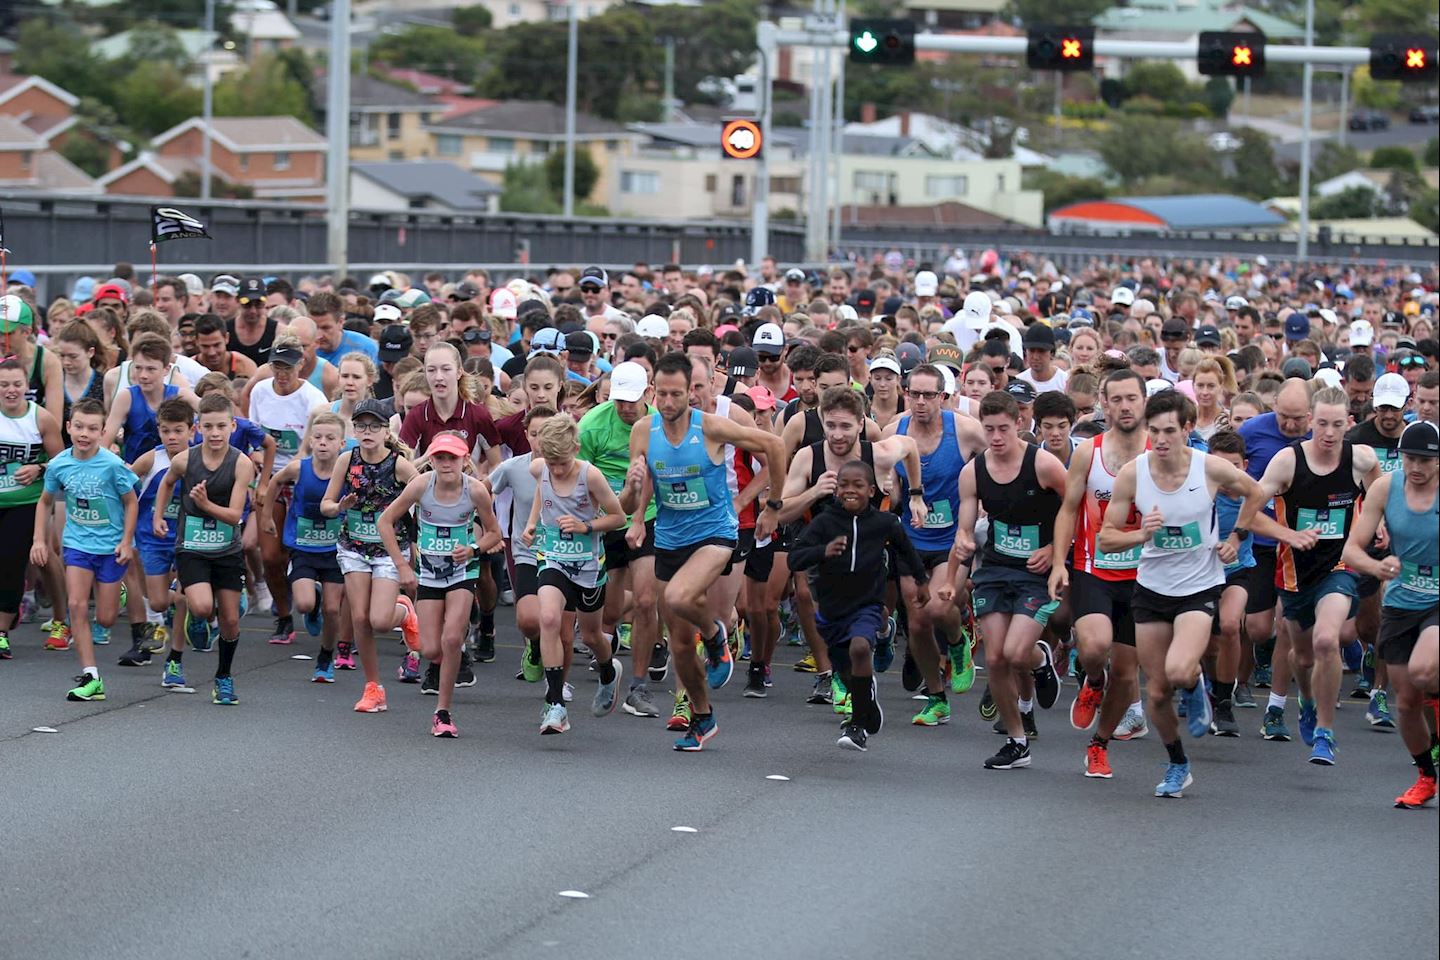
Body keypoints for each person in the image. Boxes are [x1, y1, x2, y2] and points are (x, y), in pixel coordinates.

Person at [1100, 390, 1264, 797]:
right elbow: (1105, 539)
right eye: (1153, 431)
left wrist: (1237, 535)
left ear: (1188, 429)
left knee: (1177, 670)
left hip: (1199, 587)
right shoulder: (1134, 474)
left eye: (1169, 431)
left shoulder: (1208, 468)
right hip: (1152, 588)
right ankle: (1178, 763)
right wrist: (1142, 533)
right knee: (1155, 693)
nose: (1160, 440)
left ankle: (1193, 687)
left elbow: (1257, 493)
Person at [619, 352, 785, 752]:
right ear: (652, 393)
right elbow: (628, 502)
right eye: (664, 394)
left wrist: (773, 505)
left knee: (679, 597)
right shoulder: (644, 431)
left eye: (680, 393)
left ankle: (714, 634)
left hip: (715, 533)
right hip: (671, 538)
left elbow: (776, 447)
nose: (672, 402)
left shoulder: (710, 427)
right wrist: (635, 498)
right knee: (677, 642)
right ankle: (703, 716)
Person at [1253, 386, 1380, 764]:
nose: (1328, 433)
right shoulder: (1286, 462)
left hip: (1338, 566)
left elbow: (1377, 488)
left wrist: (1379, 522)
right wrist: (1288, 534)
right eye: (1322, 423)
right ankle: (1306, 702)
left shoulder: (1360, 458)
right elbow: (1250, 512)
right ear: (1310, 420)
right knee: (1303, 657)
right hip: (1294, 575)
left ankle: (1325, 732)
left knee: (1328, 641)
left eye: (1337, 425)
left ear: (1349, 424)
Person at [944, 390, 1067, 770]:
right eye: (989, 429)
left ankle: (1040, 658)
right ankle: (1017, 742)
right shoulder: (973, 471)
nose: (996, 437)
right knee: (995, 658)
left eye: (1003, 429)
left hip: (1035, 571)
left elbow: (1075, 510)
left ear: (1018, 424)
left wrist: (1054, 550)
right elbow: (965, 529)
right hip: (995, 568)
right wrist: (963, 540)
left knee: (1016, 653)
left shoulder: (1044, 465)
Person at [1048, 369, 1151, 780]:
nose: (1125, 406)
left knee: (1127, 676)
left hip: (1145, 576)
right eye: (1117, 399)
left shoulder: (1159, 452)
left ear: (1144, 402)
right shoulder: (1088, 453)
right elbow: (1069, 509)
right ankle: (1092, 678)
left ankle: (1099, 745)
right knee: (1094, 647)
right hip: (1094, 568)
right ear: (1103, 404)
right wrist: (1059, 562)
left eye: (1132, 398)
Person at [789, 460, 930, 752]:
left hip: (867, 605)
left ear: (872, 490)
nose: (850, 491)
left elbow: (907, 549)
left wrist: (921, 581)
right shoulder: (825, 523)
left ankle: (858, 724)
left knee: (861, 648)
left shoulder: (884, 523)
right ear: (835, 489)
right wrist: (822, 551)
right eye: (844, 485)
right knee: (845, 669)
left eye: (858, 485)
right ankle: (866, 700)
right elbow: (795, 558)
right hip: (831, 609)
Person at [1342, 421, 1439, 808]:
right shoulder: (1385, 487)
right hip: (1401, 600)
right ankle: (1426, 776)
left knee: (1422, 669)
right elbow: (1351, 550)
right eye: (1410, 458)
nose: (1416, 467)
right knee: (1406, 701)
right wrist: (1375, 567)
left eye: (1426, 461)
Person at [381, 431, 503, 738]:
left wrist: (473, 549)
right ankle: (411, 614)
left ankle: (443, 712)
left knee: (451, 641)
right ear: (431, 460)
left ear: (464, 459)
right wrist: (401, 566)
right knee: (429, 647)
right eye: (440, 457)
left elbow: (494, 533)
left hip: (463, 572)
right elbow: (385, 521)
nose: (446, 463)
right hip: (429, 574)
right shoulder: (422, 485)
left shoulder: (475, 491)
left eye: (452, 457)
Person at [886, 363, 986, 725]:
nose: (922, 402)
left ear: (944, 397)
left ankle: (958, 643)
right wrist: (889, 491)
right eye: (915, 394)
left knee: (939, 609)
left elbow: (999, 465)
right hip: (911, 539)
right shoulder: (893, 430)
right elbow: (891, 485)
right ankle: (935, 696)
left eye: (930, 395)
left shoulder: (966, 431)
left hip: (952, 539)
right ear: (906, 393)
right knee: (915, 624)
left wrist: (983, 508)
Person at [520, 415, 628, 735]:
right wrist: (532, 523)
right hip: (552, 556)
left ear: (576, 449)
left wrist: (586, 526)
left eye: (562, 463)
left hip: (588, 563)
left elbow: (618, 516)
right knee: (550, 620)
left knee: (592, 636)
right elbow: (542, 490)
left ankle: (608, 671)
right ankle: (556, 704)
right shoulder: (540, 468)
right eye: (550, 461)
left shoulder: (590, 476)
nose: (555, 469)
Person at [32, 398, 139, 702]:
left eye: (93, 429)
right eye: (78, 426)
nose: (84, 433)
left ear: (103, 431)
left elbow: (131, 502)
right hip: (77, 544)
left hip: (110, 546)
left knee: (105, 619)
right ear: (68, 427)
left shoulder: (112, 465)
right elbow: (45, 501)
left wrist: (126, 541)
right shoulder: (58, 465)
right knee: (77, 606)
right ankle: (91, 676)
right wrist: (39, 539)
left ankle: (116, 592)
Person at [152, 392, 256, 705]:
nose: (214, 433)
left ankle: (223, 677)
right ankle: (191, 614)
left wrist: (205, 503)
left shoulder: (242, 464)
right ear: (198, 427)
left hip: (227, 549)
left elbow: (235, 515)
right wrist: (158, 515)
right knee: (200, 607)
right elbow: (166, 482)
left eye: (221, 426)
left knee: (230, 621)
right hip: (192, 547)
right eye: (208, 426)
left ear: (233, 426)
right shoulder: (185, 459)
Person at [576, 361, 664, 716]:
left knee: (645, 600)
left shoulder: (659, 424)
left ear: (648, 393)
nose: (625, 407)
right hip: (606, 517)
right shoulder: (592, 424)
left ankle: (639, 688)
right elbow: (579, 481)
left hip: (651, 515)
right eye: (618, 400)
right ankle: (608, 671)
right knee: (609, 613)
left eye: (632, 399)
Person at [321, 399, 421, 711]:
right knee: (360, 617)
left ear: (385, 430)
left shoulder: (399, 465)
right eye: (362, 425)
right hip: (353, 548)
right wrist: (340, 507)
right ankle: (373, 687)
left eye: (374, 426)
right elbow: (325, 505)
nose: (367, 432)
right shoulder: (346, 460)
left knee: (379, 620)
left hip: (388, 550)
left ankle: (403, 611)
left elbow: (424, 495)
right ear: (354, 429)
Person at [248, 336, 329, 645]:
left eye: (288, 368)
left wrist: (288, 472)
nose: (281, 374)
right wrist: (261, 469)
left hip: (304, 478)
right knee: (270, 556)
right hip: (270, 477)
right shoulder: (259, 391)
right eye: (276, 367)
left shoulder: (313, 398)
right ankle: (284, 617)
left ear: (301, 366)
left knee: (303, 550)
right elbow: (256, 437)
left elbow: (313, 447)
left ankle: (312, 597)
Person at [261, 412, 347, 679]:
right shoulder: (300, 468)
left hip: (334, 549)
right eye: (318, 437)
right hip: (304, 546)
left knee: (333, 610)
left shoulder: (346, 471)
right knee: (305, 604)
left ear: (341, 444)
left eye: (330, 438)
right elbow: (275, 482)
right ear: (310, 441)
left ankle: (325, 657)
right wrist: (266, 516)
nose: (323, 443)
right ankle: (314, 596)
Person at [121, 399, 192, 670]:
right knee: (161, 601)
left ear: (191, 430)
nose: (172, 437)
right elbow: (125, 483)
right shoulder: (152, 458)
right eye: (166, 430)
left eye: (178, 430)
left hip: (187, 537)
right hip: (152, 537)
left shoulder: (197, 458)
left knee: (186, 596)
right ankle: (164, 617)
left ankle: (193, 621)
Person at [0, 358, 64, 660]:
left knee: (10, 562)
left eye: (16, 384)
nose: (10, 390)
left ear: (27, 387)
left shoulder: (41, 419)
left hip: (25, 503)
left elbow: (62, 462)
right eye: (3, 385)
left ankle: (1, 633)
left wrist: (38, 468)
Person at [489, 406, 556, 690]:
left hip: (564, 553)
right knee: (529, 620)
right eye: (535, 434)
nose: (540, 440)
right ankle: (536, 646)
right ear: (526, 435)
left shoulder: (576, 467)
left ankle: (557, 689)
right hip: (527, 551)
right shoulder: (514, 467)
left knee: (557, 623)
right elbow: (483, 491)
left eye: (547, 433)